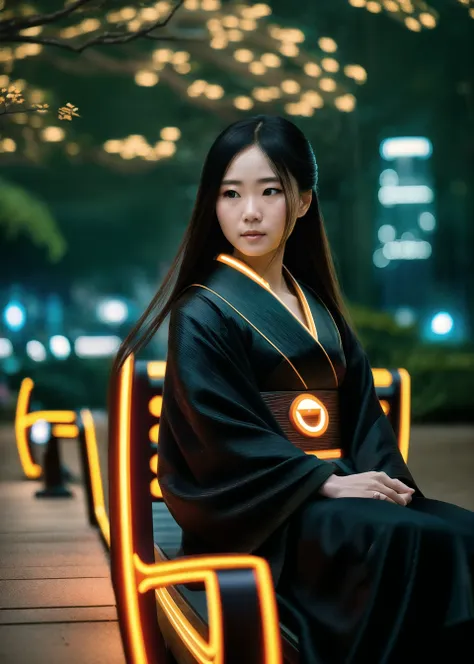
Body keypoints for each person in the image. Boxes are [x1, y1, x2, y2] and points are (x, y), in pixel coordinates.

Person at [114, 115, 474, 663]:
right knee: (408, 539)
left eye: (270, 192)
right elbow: (222, 443)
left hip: (326, 498)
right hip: (261, 517)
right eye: (231, 194)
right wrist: (322, 481)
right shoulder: (202, 313)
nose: (250, 212)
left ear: (303, 202)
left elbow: (360, 419)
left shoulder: (319, 309)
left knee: (458, 531)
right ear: (213, 203)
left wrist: (385, 483)